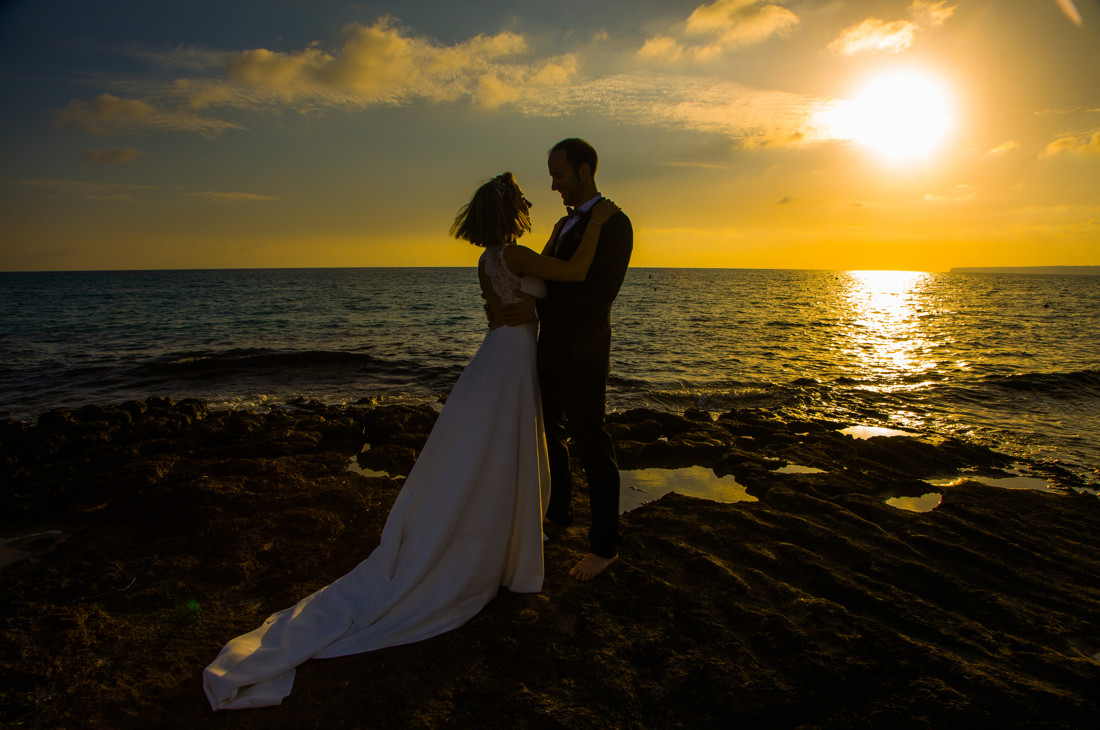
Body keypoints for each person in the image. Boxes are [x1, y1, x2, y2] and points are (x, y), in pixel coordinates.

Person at [201, 172, 620, 711]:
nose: (532, 201)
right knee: (501, 453)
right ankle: (498, 549)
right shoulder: (515, 257)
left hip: (500, 357)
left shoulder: (489, 260)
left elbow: (520, 303)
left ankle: (494, 539)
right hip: (513, 362)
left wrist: (535, 310)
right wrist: (600, 224)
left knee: (485, 453)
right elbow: (578, 272)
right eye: (522, 198)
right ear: (509, 211)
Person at [498, 138, 633, 581]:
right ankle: (558, 515)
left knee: (592, 442)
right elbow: (549, 276)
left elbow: (598, 295)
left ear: (585, 170)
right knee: (548, 430)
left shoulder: (616, 224)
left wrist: (536, 310)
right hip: (550, 348)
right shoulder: (562, 225)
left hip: (585, 351)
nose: (553, 184)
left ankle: (604, 546)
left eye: (558, 174)